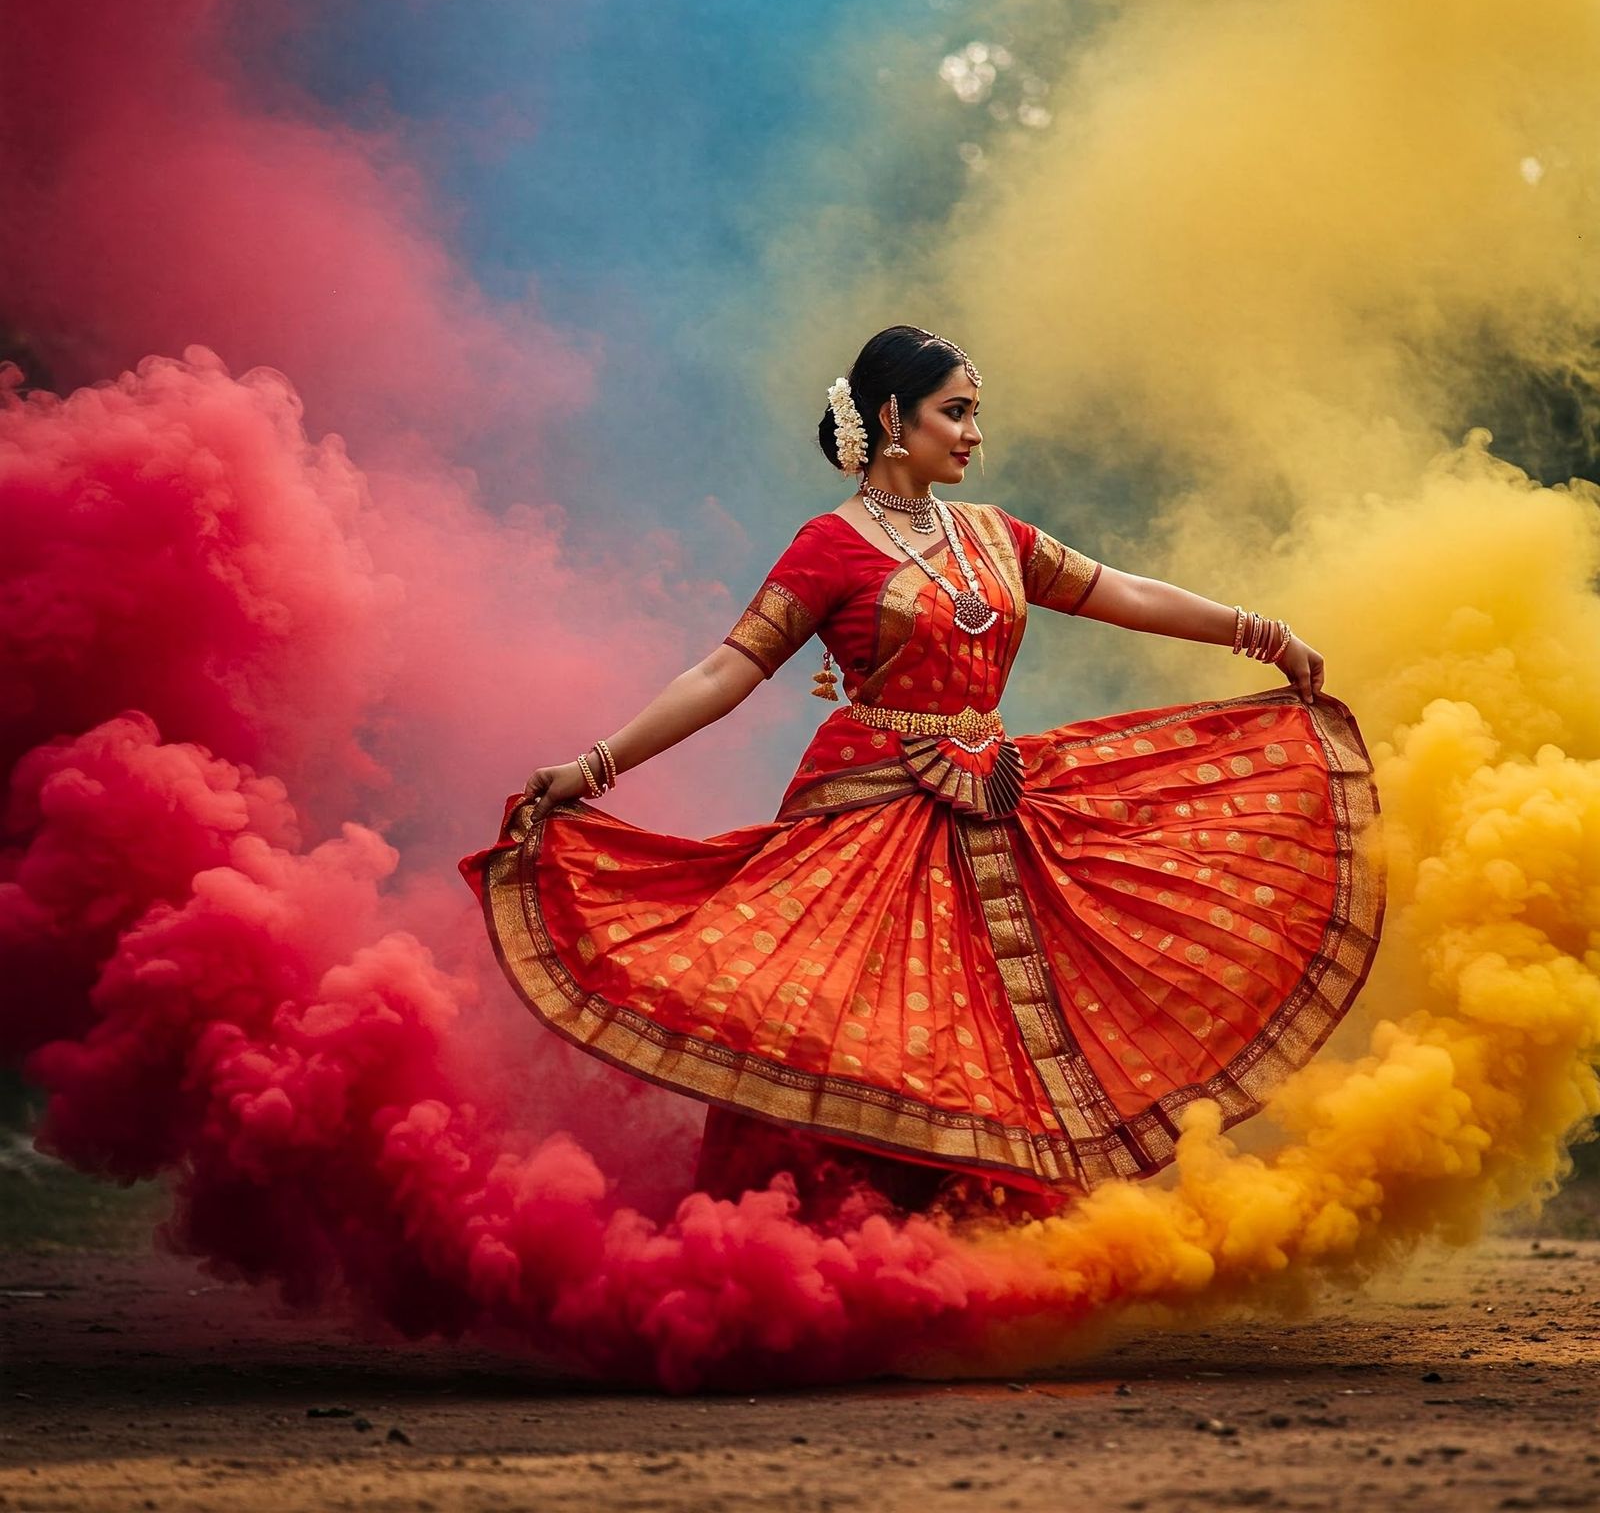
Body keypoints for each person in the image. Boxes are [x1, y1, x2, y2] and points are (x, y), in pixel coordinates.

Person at [458, 325, 1385, 1224]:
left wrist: (1261, 634)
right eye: (958, 412)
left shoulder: (995, 535)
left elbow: (1125, 592)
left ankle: (970, 1255)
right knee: (856, 1024)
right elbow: (723, 673)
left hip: (1000, 799)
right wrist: (597, 765)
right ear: (894, 416)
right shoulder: (829, 547)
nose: (975, 434)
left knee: (991, 1027)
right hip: (867, 814)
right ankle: (806, 1250)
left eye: (977, 413)